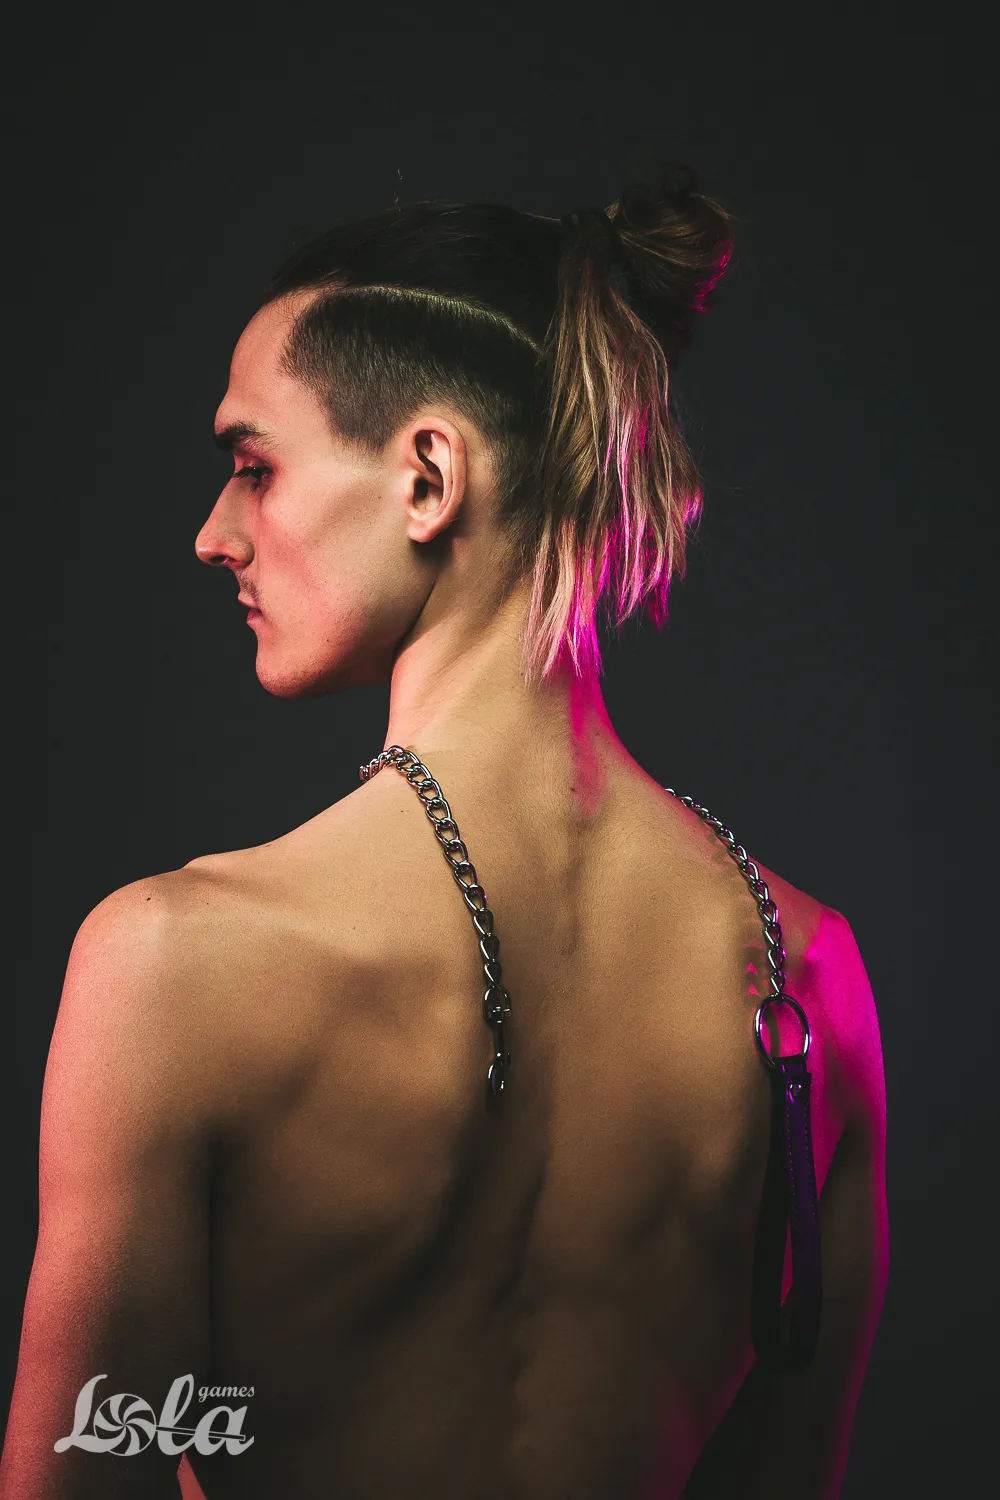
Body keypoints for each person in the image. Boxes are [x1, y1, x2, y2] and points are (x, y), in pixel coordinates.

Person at [1, 170, 888, 1499]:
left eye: (254, 468)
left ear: (428, 477)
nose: (212, 535)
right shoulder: (810, 982)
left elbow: (85, 1469)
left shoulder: (177, 965)